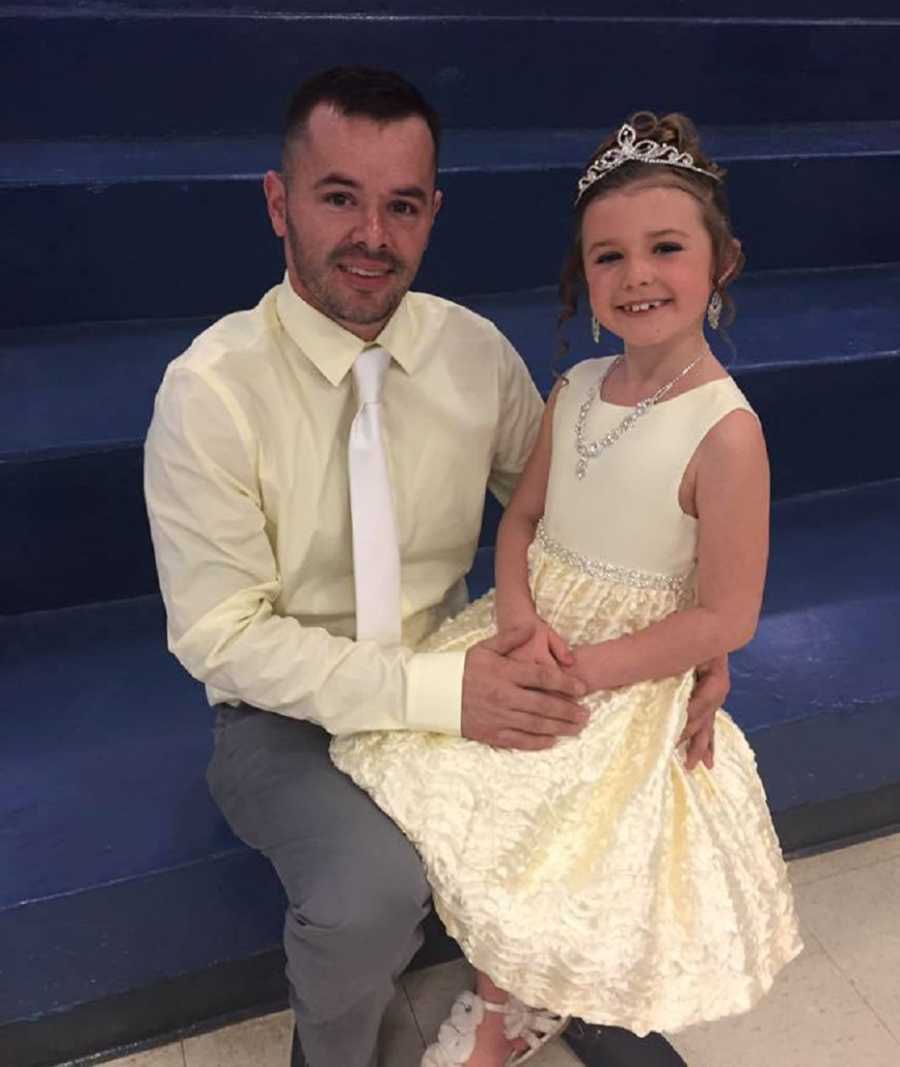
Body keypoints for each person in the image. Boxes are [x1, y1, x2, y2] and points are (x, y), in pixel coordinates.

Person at [143, 67, 729, 1067]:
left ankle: (566, 979)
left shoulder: (471, 350)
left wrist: (689, 642)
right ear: (279, 202)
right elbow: (222, 636)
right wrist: (443, 691)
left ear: (432, 212)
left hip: (464, 653)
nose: (373, 234)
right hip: (290, 714)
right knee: (369, 892)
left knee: (614, 753)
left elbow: (568, 516)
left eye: (402, 204)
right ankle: (327, 1052)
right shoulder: (210, 390)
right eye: (339, 197)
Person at [331, 111, 804, 1067]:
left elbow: (727, 612)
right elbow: (519, 521)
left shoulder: (727, 432)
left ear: (722, 263)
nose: (636, 277)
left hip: (619, 673)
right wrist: (515, 611)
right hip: (530, 630)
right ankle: (505, 980)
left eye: (666, 249)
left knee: (543, 838)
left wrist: (584, 669)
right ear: (582, 279)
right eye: (608, 257)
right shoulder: (576, 387)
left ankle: (504, 1012)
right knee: (428, 771)